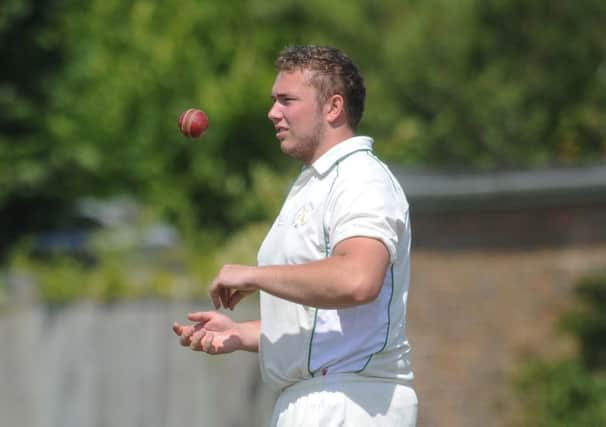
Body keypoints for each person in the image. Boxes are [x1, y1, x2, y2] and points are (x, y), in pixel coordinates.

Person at [172, 45, 418, 426]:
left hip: (353, 403)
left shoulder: (360, 178)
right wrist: (242, 334)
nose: (273, 112)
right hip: (315, 401)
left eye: (287, 100)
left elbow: (357, 280)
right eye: (274, 100)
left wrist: (254, 276)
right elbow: (325, 325)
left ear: (333, 107)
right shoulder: (312, 185)